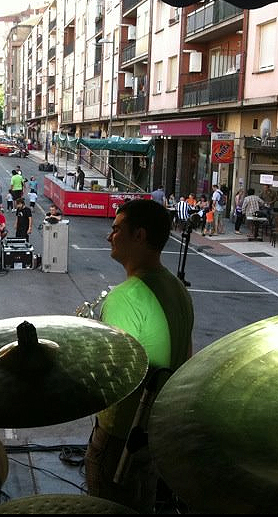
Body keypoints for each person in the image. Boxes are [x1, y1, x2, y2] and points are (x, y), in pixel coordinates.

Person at [84, 199, 194, 513]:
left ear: (139, 236)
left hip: (121, 436)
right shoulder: (178, 289)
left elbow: (108, 375)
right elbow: (186, 356)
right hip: (154, 432)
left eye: (116, 229)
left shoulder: (125, 298)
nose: (109, 236)